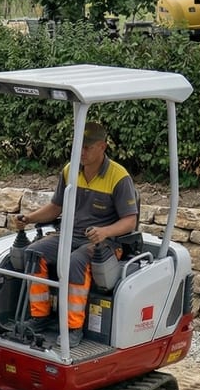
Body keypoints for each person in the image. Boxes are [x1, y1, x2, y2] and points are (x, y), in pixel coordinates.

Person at [12, 120, 138, 346]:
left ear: (102, 146)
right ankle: (39, 317)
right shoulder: (70, 170)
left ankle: (73, 328)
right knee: (34, 252)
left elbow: (130, 221)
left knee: (75, 262)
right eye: (79, 145)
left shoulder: (119, 177)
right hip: (70, 236)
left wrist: (104, 232)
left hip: (106, 243)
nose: (81, 151)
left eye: (87, 147)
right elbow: (56, 207)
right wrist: (29, 218)